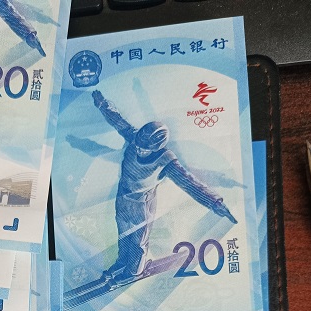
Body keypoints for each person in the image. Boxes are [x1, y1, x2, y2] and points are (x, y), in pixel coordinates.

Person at [91, 90, 237, 285]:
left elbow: (189, 183)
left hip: (141, 205)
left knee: (138, 240)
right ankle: (122, 261)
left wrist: (215, 202)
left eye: (144, 149)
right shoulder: (134, 137)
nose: (139, 149)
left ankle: (134, 270)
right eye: (138, 145)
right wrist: (103, 105)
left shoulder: (166, 161)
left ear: (157, 148)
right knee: (123, 233)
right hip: (122, 198)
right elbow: (117, 120)